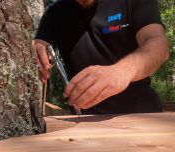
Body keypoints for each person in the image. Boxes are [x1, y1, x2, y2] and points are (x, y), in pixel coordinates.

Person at [32, 0, 169, 115]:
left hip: (141, 116)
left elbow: (158, 44)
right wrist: (38, 53)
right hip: (83, 122)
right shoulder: (55, 13)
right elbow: (40, 45)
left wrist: (121, 71)